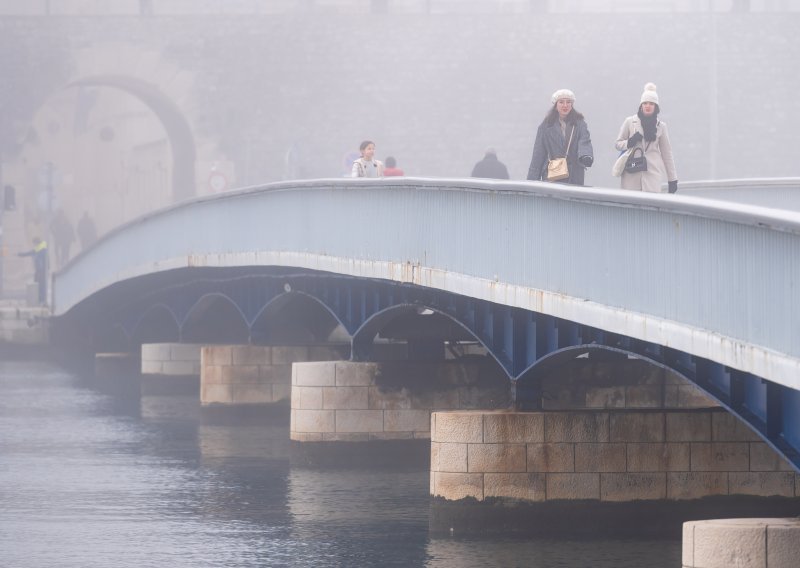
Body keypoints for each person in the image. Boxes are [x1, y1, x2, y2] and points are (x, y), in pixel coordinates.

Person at [615, 83, 678, 193]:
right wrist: (630, 142)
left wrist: (672, 179)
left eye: (651, 104)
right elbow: (618, 144)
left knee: (650, 207)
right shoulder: (630, 121)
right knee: (631, 207)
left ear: (656, 107)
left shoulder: (661, 126)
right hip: (631, 173)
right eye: (645, 103)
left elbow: (667, 153)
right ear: (641, 105)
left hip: (652, 175)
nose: (647, 106)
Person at [527, 89, 594, 185]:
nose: (565, 105)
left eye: (568, 102)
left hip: (574, 175)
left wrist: (586, 155)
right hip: (553, 176)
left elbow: (584, 141)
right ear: (555, 105)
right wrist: (531, 183)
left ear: (572, 105)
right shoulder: (546, 126)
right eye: (561, 102)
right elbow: (538, 154)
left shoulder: (579, 124)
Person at [18, 237, 48, 305]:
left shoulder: (41, 249)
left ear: (36, 243)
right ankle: (40, 299)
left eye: (34, 243)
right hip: (41, 270)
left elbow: (30, 253)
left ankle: (41, 299)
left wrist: (20, 254)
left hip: (40, 271)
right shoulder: (42, 248)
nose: (34, 245)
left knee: (39, 284)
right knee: (39, 284)